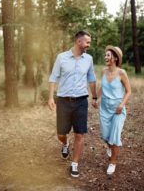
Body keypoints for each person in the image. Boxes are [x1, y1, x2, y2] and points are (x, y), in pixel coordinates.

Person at [48, 30, 97, 177]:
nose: (89, 45)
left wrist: (94, 97)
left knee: (80, 134)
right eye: (87, 42)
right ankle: (65, 144)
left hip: (81, 101)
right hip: (63, 101)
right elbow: (53, 78)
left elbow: (92, 79)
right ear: (79, 42)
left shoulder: (89, 59)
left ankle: (74, 164)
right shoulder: (61, 57)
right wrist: (51, 97)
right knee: (61, 133)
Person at [98, 45, 131, 175]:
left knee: (115, 136)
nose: (105, 57)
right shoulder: (103, 71)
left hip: (118, 110)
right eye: (105, 55)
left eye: (108, 55)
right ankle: (109, 146)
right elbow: (102, 87)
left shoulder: (122, 73)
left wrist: (122, 105)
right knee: (106, 136)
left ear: (115, 58)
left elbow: (129, 91)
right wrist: (95, 98)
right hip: (104, 109)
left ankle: (113, 162)